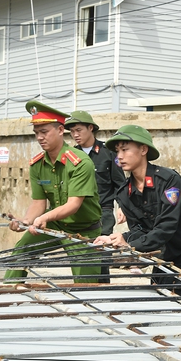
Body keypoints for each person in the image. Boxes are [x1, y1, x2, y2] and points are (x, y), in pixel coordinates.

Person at [93, 125, 181, 295]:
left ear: (143, 149)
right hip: (161, 256)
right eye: (117, 151)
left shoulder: (168, 180)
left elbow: (167, 226)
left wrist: (130, 245)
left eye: (125, 149)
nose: (119, 156)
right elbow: (140, 229)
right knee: (158, 300)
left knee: (175, 305)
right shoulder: (124, 193)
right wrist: (115, 239)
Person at [4, 101, 103, 283]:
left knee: (86, 286)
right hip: (55, 225)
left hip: (83, 230)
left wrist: (44, 218)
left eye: (44, 132)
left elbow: (74, 204)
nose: (40, 138)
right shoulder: (37, 164)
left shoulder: (80, 162)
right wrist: (26, 222)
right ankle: (11, 290)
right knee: (22, 248)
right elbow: (38, 203)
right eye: (36, 133)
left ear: (59, 130)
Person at [65, 111, 126, 283]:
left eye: (79, 130)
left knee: (101, 251)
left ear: (90, 128)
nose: (75, 135)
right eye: (72, 132)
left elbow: (120, 183)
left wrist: (122, 206)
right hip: (79, 211)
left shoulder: (108, 153)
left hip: (103, 212)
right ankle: (83, 287)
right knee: (80, 253)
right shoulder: (71, 155)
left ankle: (102, 288)